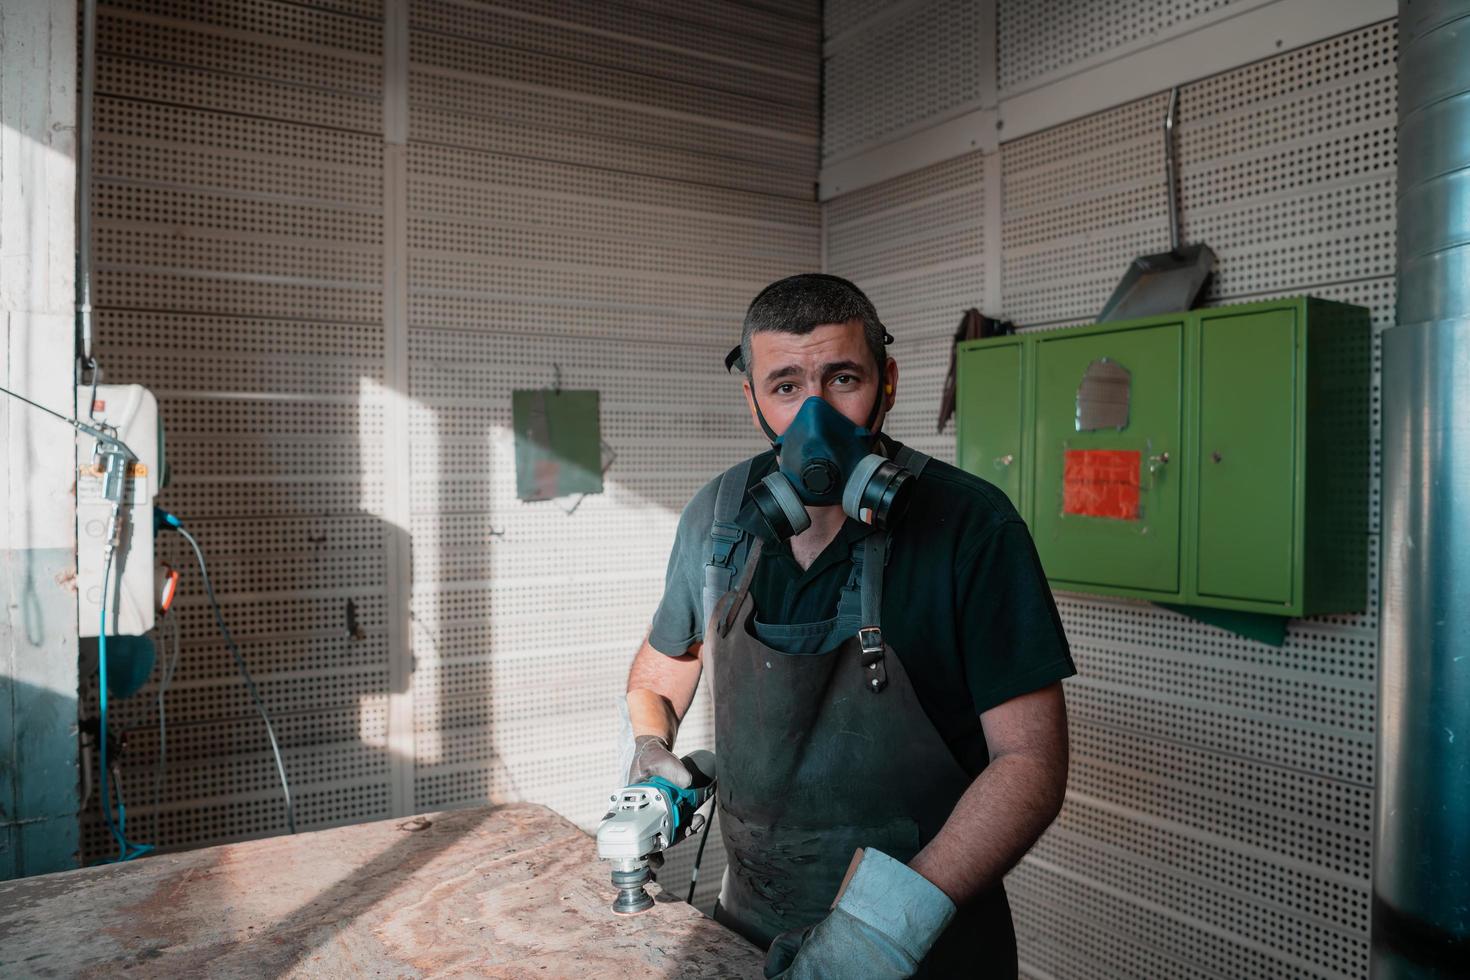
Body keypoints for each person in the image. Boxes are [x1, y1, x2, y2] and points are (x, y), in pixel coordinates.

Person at [623, 274, 1074, 979]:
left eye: (841, 378)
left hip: (922, 948)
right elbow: (667, 659)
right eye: (785, 387)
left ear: (886, 382)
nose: (815, 415)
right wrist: (652, 745)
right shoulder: (716, 517)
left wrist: (881, 933)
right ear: (752, 401)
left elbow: (1030, 764)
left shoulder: (971, 525)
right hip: (745, 930)